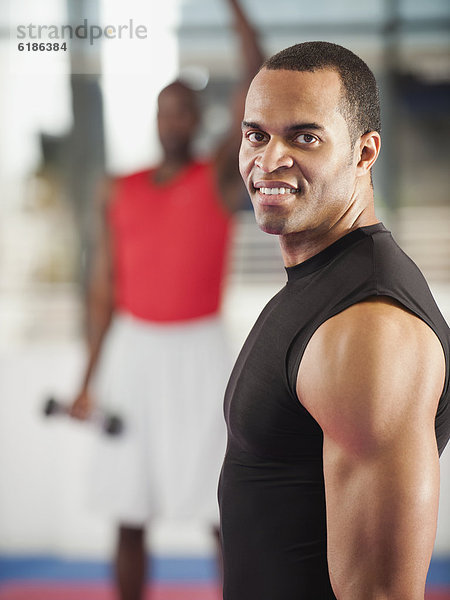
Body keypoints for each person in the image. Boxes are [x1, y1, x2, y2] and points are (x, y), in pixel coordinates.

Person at [218, 41, 450, 599]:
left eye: (305, 137)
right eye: (256, 135)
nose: (269, 160)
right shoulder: (321, 284)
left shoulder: (368, 329)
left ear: (365, 153)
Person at [69, 2, 263, 599]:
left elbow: (255, 81)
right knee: (128, 508)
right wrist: (88, 380)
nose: (173, 120)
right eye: (164, 110)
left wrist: (235, 12)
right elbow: (103, 292)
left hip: (201, 353)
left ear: (198, 119)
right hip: (134, 351)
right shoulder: (118, 190)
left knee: (223, 507)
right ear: (155, 119)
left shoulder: (217, 178)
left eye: (183, 111)